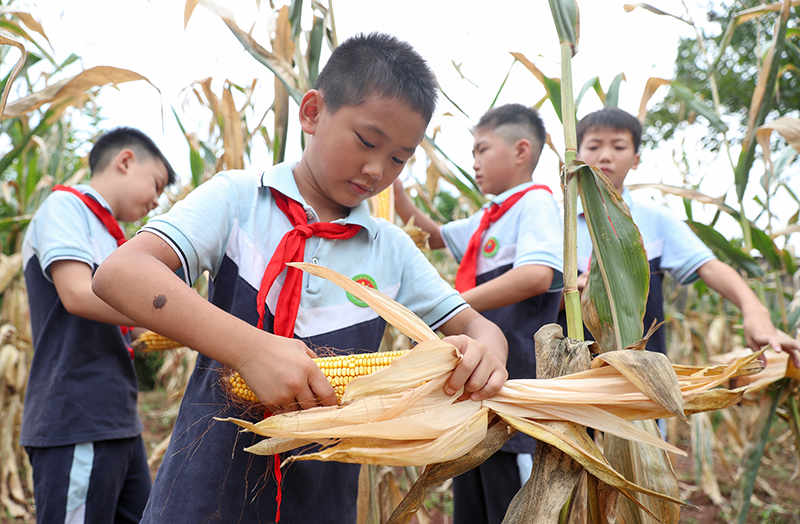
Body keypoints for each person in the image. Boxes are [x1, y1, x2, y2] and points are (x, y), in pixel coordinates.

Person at [91, 33, 508, 524]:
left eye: (399, 158)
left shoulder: (390, 249)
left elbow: (479, 328)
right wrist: (250, 350)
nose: (377, 170)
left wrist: (488, 350)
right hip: (200, 497)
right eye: (367, 142)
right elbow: (120, 273)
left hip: (320, 500)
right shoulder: (239, 200)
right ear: (312, 112)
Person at [393, 103, 564, 524]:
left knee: (513, 498)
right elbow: (430, 236)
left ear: (521, 150)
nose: (474, 162)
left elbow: (537, 275)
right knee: (474, 493)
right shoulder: (489, 218)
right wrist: (394, 188)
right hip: (479, 388)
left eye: (481, 150)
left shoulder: (534, 205)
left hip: (517, 381)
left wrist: (458, 303)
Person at [20, 126, 176, 524]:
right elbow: (77, 293)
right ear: (126, 161)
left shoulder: (115, 240)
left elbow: (136, 324)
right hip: (77, 417)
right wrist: (176, 313)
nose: (156, 200)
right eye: (156, 184)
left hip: (118, 420)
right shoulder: (66, 208)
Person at [570, 106, 800, 368]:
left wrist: (754, 310)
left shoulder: (655, 220)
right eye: (594, 146)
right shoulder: (557, 221)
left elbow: (710, 266)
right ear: (576, 156)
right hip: (565, 378)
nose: (605, 156)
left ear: (635, 160)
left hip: (641, 375)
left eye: (619, 147)